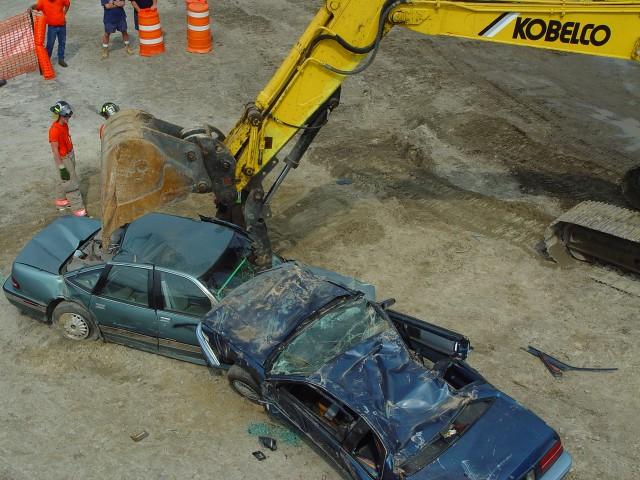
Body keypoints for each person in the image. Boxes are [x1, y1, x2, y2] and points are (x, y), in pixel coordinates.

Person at [48, 101, 86, 216]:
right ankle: (79, 211)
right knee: (72, 184)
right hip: (63, 158)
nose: (68, 118)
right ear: (59, 115)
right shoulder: (54, 130)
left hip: (69, 154)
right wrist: (62, 167)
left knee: (64, 180)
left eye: (69, 115)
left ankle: (61, 201)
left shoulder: (64, 124)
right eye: (66, 116)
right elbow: (55, 151)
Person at [31, 0, 70, 67]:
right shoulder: (42, 1)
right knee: (50, 44)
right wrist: (30, 7)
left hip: (62, 25)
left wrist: (64, 13)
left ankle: (61, 60)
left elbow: (67, 3)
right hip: (52, 27)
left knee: (62, 43)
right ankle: (46, 60)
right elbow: (36, 6)